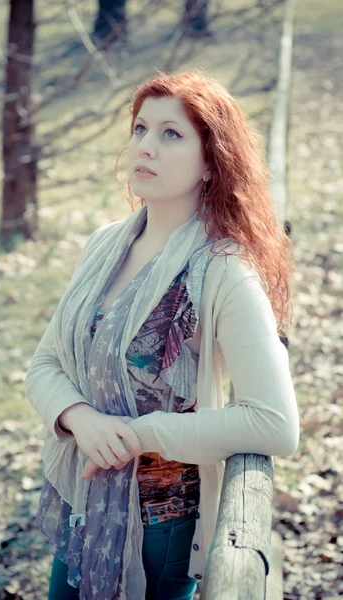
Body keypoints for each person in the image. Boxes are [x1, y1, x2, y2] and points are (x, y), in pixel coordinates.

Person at [25, 71, 300, 600]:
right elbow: (44, 365)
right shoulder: (105, 245)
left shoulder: (221, 269)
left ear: (210, 161)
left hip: (162, 528)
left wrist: (138, 435)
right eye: (140, 129)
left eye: (171, 134)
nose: (145, 147)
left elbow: (276, 423)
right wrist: (82, 420)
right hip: (82, 507)